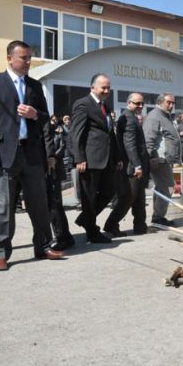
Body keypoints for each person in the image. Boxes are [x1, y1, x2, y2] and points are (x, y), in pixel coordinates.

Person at [0, 40, 64, 271]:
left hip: (32, 153)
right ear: (9, 58)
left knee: (39, 204)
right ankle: (0, 253)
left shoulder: (35, 86)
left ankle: (43, 246)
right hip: (4, 154)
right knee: (4, 206)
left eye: (29, 58)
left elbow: (46, 118)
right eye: (23, 58)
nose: (27, 62)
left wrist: (36, 114)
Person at [71, 73, 120, 243]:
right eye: (103, 87)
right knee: (89, 197)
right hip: (89, 160)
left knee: (109, 192)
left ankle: (85, 219)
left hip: (106, 160)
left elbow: (109, 134)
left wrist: (117, 156)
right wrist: (79, 158)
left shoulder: (105, 106)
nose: (106, 90)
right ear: (92, 87)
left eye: (108, 87)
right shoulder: (83, 104)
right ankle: (92, 232)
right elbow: (75, 133)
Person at [104, 93, 150, 236]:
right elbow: (130, 145)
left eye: (142, 103)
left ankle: (140, 226)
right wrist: (137, 166)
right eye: (137, 103)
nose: (140, 106)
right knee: (129, 197)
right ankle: (111, 224)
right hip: (132, 167)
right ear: (129, 103)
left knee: (139, 197)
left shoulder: (131, 117)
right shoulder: (129, 119)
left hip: (136, 165)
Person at [143, 93, 182, 226]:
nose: (171, 106)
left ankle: (157, 217)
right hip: (158, 160)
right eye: (168, 103)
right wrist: (151, 158)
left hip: (165, 160)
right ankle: (158, 217)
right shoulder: (154, 117)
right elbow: (148, 139)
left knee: (162, 188)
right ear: (160, 102)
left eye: (173, 103)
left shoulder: (165, 116)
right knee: (168, 187)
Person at [43, 117, 74, 250]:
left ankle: (63, 237)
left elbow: (61, 147)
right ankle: (63, 236)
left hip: (53, 170)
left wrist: (53, 157)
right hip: (44, 170)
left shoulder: (55, 133)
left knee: (54, 205)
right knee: (52, 205)